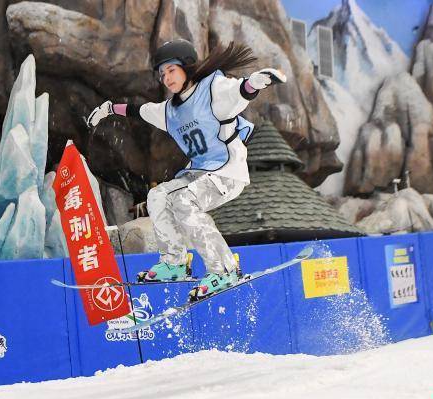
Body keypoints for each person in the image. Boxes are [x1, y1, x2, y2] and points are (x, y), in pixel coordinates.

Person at [86, 39, 286, 300]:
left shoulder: (212, 88)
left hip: (227, 171)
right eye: (161, 74)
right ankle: (174, 262)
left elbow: (240, 91)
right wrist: (110, 108)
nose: (166, 78)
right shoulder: (170, 111)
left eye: (171, 70)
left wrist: (256, 82)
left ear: (187, 67)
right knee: (158, 196)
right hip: (199, 173)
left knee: (183, 199)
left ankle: (224, 268)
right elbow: (139, 110)